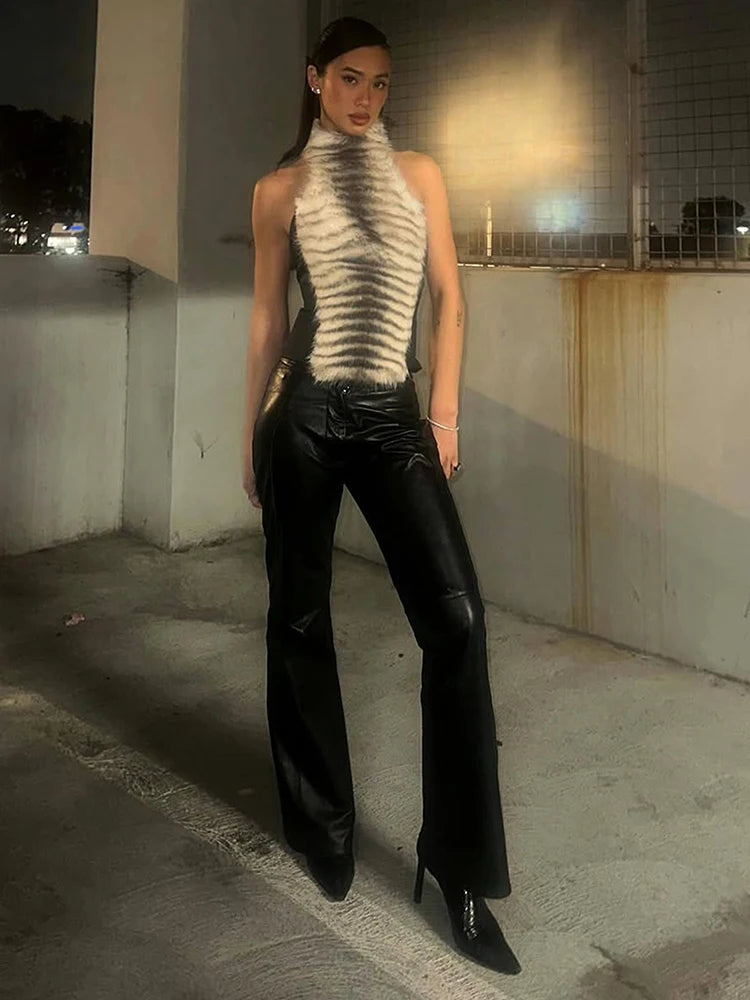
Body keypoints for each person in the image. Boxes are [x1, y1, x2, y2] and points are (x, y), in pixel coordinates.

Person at [241, 16, 521, 977]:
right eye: (350, 79)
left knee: (458, 621)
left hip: (396, 417)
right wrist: (250, 434)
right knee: (298, 619)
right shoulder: (278, 191)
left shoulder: (419, 175)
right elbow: (266, 317)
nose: (366, 98)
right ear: (315, 79)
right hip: (304, 416)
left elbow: (450, 297)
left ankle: (461, 869)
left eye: (381, 84)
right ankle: (322, 827)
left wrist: (443, 418)